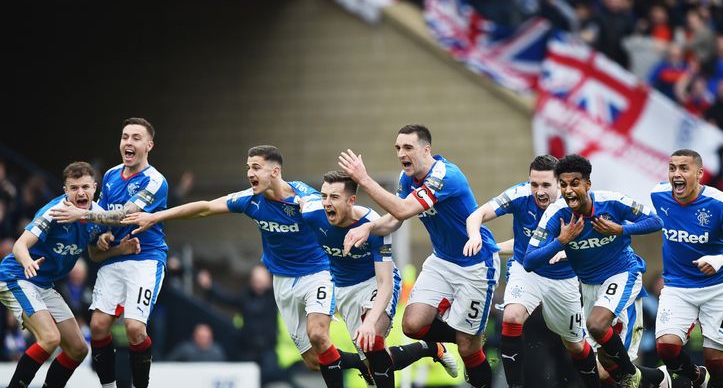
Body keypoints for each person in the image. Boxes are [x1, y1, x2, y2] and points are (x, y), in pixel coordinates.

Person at [122, 145, 370, 388]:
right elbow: (205, 208)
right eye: (248, 168)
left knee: (318, 334)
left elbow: (344, 213)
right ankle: (363, 364)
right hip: (282, 281)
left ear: (275, 172)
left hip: (317, 273)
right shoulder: (249, 200)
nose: (250, 173)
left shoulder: (306, 200)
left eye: (256, 167)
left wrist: (367, 227)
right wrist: (155, 216)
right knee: (313, 361)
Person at [339, 124, 499, 388]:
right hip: (443, 261)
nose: (402, 153)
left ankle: (471, 345)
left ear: (426, 150)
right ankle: (448, 342)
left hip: (476, 264)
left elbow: (402, 210)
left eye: (408, 147)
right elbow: (393, 221)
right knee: (412, 326)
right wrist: (368, 227)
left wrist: (364, 180)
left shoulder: (445, 176)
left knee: (469, 350)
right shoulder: (406, 179)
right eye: (398, 148)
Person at [302, 170, 459, 388]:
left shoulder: (372, 224)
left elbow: (385, 283)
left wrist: (371, 322)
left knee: (372, 337)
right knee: (374, 363)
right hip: (344, 290)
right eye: (324, 196)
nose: (327, 203)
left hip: (375, 282)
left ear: (351, 200)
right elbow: (291, 195)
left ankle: (384, 341)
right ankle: (431, 348)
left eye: (334, 197)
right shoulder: (311, 212)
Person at [524, 154, 663, 388]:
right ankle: (660, 379)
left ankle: (634, 375)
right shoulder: (556, 214)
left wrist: (620, 229)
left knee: (597, 325)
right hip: (589, 288)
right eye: (564, 184)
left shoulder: (612, 202)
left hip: (622, 274)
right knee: (604, 372)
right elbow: (529, 260)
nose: (569, 190)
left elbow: (656, 221)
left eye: (575, 183)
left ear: (588, 184)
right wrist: (562, 240)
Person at [50, 117, 169, 388]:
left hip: (145, 257)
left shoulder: (155, 181)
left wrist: (81, 213)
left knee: (135, 329)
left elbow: (125, 216)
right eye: (125, 136)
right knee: (99, 327)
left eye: (136, 138)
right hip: (116, 256)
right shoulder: (112, 174)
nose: (128, 142)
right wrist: (102, 235)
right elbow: (103, 214)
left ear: (149, 145)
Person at [0, 161, 139, 388]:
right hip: (17, 277)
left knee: (78, 349)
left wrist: (121, 248)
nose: (80, 192)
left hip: (44, 285)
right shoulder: (54, 212)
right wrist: (27, 262)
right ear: (65, 190)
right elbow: (19, 245)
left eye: (85, 187)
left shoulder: (97, 215)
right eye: (74, 188)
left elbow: (94, 254)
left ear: (95, 188)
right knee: (50, 338)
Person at [465, 155, 600, 387]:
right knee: (511, 317)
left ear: (560, 184)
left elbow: (595, 243)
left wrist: (568, 251)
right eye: (534, 184)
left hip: (563, 279)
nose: (539, 191)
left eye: (546, 185)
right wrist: (476, 235)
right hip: (526, 271)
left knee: (575, 344)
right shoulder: (519, 195)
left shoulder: (577, 202)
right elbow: (476, 215)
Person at [651, 149, 723, 388]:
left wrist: (721, 260)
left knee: (715, 361)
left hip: (717, 288)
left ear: (699, 174)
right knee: (666, 347)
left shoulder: (720, 203)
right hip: (677, 285)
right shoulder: (658, 194)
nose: (676, 174)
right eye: (672, 168)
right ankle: (698, 377)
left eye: (683, 168)